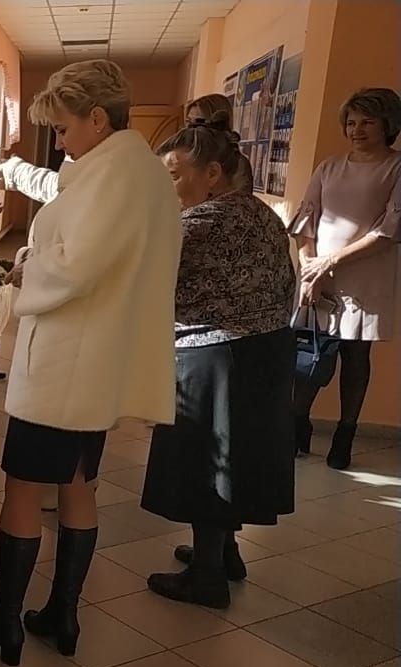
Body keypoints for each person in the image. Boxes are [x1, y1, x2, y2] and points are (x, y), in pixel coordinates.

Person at [0, 59, 181, 665]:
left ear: (95, 117)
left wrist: (29, 269)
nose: (59, 141)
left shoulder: (115, 175)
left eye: (62, 128)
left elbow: (78, 264)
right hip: (97, 362)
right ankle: (63, 614)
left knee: (23, 490)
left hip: (67, 363)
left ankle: (4, 622)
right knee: (78, 484)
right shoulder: (132, 170)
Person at [141, 114, 297, 608]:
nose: (170, 185)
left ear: (212, 173)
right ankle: (225, 552)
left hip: (218, 356)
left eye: (175, 174)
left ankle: (207, 576)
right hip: (266, 351)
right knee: (237, 457)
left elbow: (149, 280)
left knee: (207, 461)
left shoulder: (202, 222)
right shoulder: (259, 212)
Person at [290, 87, 401, 469]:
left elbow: (390, 229)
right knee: (310, 350)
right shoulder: (329, 166)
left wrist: (329, 261)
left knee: (356, 355)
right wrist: (309, 268)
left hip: (366, 276)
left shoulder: (397, 167)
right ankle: (297, 423)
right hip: (318, 275)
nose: (357, 129)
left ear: (389, 124)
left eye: (368, 121)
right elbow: (306, 219)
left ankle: (345, 433)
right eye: (351, 122)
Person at [186, 93, 255, 189]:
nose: (191, 129)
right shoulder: (186, 155)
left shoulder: (238, 164)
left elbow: (239, 201)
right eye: (189, 122)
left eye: (199, 122)